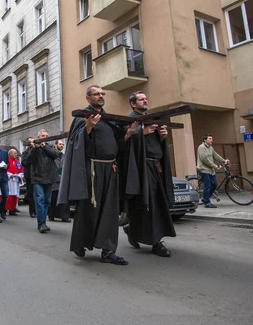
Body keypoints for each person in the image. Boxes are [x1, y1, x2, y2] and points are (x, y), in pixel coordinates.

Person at [58, 85, 127, 265]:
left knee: (110, 210)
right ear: (88, 98)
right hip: (92, 169)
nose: (100, 96)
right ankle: (81, 242)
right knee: (89, 208)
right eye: (96, 94)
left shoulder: (108, 119)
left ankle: (108, 250)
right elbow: (74, 141)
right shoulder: (82, 116)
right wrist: (87, 128)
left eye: (102, 93)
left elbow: (118, 143)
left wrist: (130, 134)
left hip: (110, 169)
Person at [121, 91, 176, 258]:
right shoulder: (129, 121)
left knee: (157, 202)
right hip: (141, 168)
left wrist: (162, 137)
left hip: (155, 167)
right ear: (133, 104)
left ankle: (132, 230)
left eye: (146, 98)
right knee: (149, 204)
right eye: (141, 99)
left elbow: (155, 145)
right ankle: (156, 242)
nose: (145, 100)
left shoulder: (152, 119)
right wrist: (140, 133)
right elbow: (124, 143)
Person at [24, 129, 59, 233]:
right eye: (43, 135)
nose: (45, 137)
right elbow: (27, 161)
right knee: (40, 200)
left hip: (49, 177)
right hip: (37, 178)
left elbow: (54, 155)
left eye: (46, 135)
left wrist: (44, 146)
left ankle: (44, 221)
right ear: (38, 137)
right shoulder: (34, 148)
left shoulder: (50, 146)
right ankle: (41, 223)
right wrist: (34, 149)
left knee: (47, 200)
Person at [196, 134, 229, 208]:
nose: (212, 140)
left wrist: (224, 161)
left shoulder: (210, 147)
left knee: (214, 184)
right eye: (210, 138)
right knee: (207, 186)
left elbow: (216, 156)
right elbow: (204, 159)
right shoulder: (201, 147)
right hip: (203, 169)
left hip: (211, 170)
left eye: (212, 138)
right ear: (205, 140)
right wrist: (215, 166)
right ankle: (207, 202)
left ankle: (205, 198)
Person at [49, 140, 71, 222]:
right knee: (53, 198)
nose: (61, 145)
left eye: (62, 144)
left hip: (62, 179)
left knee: (63, 198)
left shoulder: (64, 155)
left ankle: (64, 216)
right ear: (56, 144)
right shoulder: (52, 154)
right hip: (54, 179)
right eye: (60, 144)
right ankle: (51, 215)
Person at [21, 138, 37, 218]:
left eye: (33, 142)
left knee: (38, 194)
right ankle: (32, 211)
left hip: (38, 174)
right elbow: (24, 163)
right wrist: (31, 153)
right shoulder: (25, 152)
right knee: (30, 194)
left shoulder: (37, 150)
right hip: (29, 175)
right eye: (30, 142)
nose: (32, 143)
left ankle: (38, 210)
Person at [6, 149, 24, 216]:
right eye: (15, 153)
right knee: (10, 194)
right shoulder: (7, 161)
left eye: (16, 153)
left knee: (15, 194)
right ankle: (8, 208)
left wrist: (19, 175)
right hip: (9, 181)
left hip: (16, 180)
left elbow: (21, 170)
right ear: (10, 154)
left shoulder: (17, 162)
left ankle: (13, 209)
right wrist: (10, 175)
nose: (16, 154)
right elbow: (5, 171)